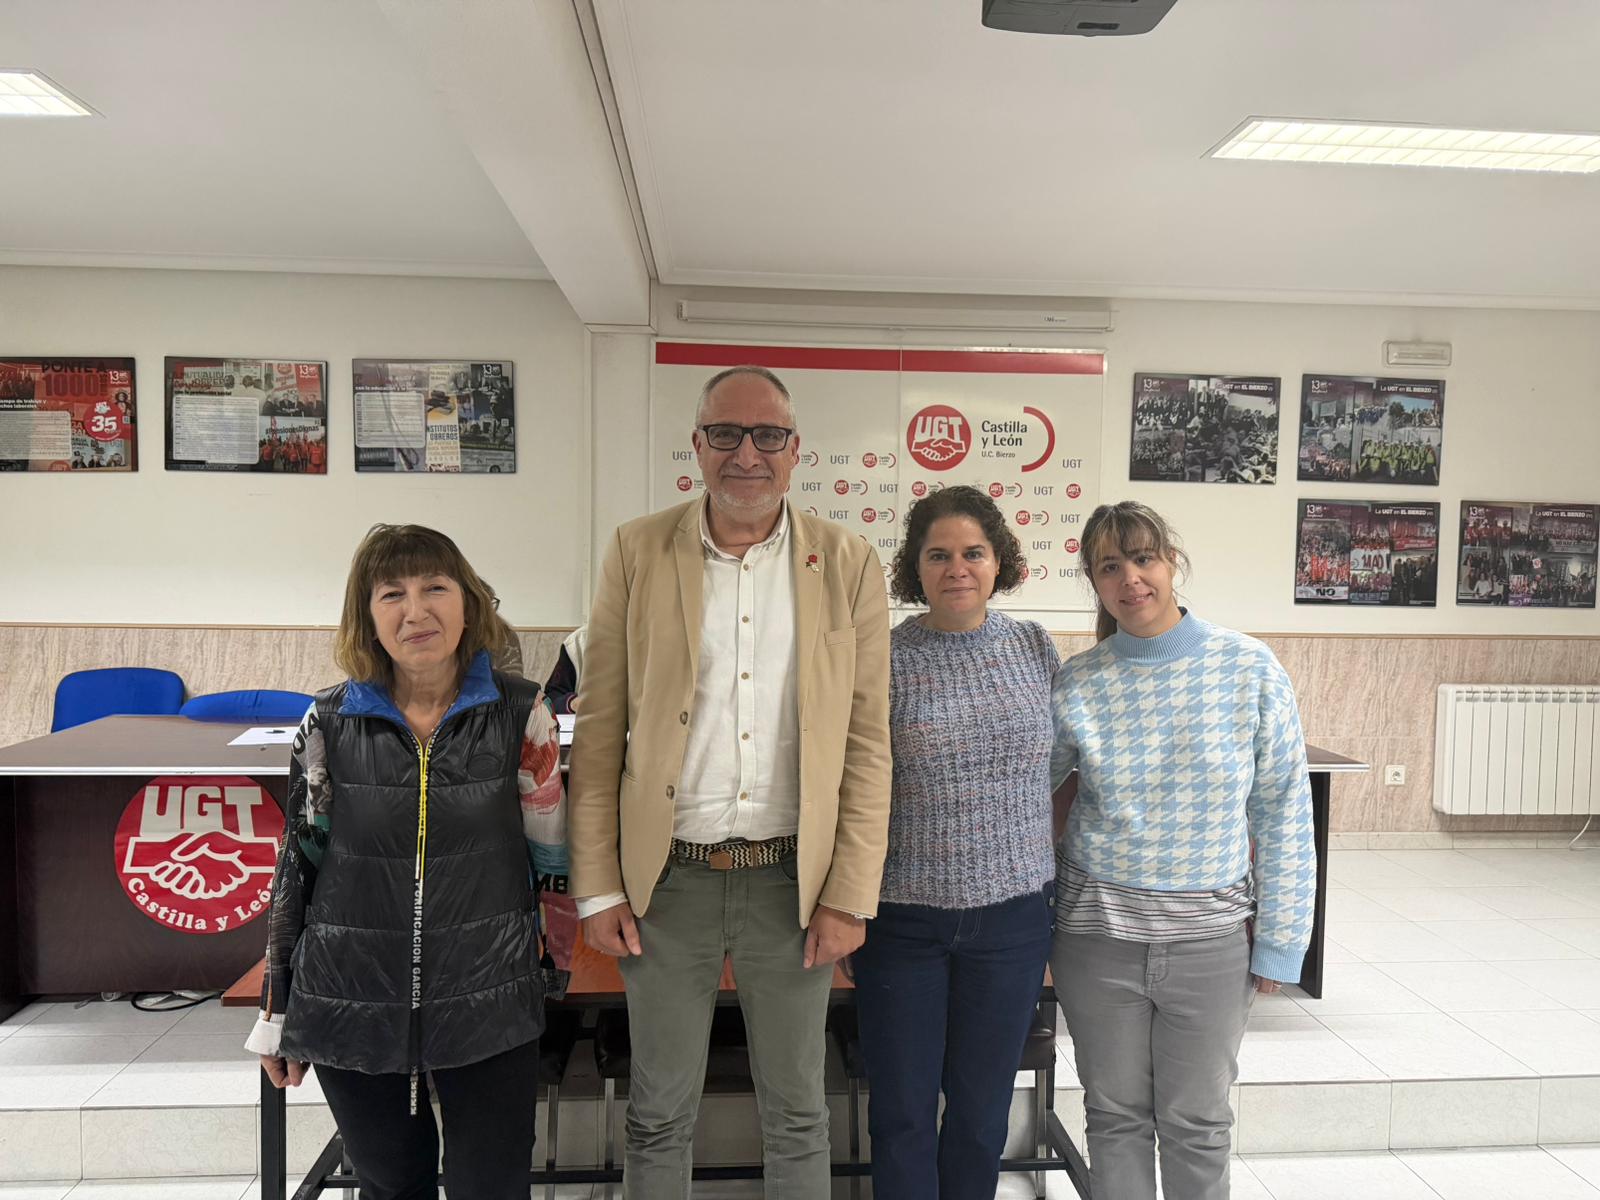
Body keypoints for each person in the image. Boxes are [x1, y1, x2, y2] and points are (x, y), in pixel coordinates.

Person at [568, 364, 891, 1197]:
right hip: (665, 882)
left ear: (795, 451)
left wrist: (850, 893)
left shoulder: (849, 561)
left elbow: (865, 741)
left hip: (795, 879)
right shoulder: (637, 550)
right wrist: (598, 888)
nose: (746, 454)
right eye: (725, 434)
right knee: (658, 1110)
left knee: (798, 1111)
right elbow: (601, 729)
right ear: (697, 445)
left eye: (767, 436)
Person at [246, 523, 568, 1200]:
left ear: (468, 603)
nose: (415, 610)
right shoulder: (327, 722)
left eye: (435, 588)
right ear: (367, 616)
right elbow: (296, 869)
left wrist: (550, 975)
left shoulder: (522, 712)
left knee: (493, 1187)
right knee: (390, 1186)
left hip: (490, 1001)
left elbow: (553, 860)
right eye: (392, 593)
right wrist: (277, 1009)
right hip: (351, 998)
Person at [1049, 500, 1314, 1200]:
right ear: (1095, 582)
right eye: (1111, 566)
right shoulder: (1079, 681)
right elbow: (1024, 798)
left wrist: (1283, 941)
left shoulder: (1248, 667)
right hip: (1096, 941)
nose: (1131, 579)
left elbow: (1285, 808)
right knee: (1114, 1117)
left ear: (1172, 563)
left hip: (1210, 944)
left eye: (1143, 559)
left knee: (1197, 1123)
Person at [850, 485, 1061, 1198]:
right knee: (904, 1114)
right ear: (915, 567)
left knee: (980, 1113)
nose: (957, 568)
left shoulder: (1034, 646)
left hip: (1013, 922)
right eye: (937, 555)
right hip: (902, 921)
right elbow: (855, 785)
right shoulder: (882, 656)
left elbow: (1063, 765)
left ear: (999, 560)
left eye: (973, 552)